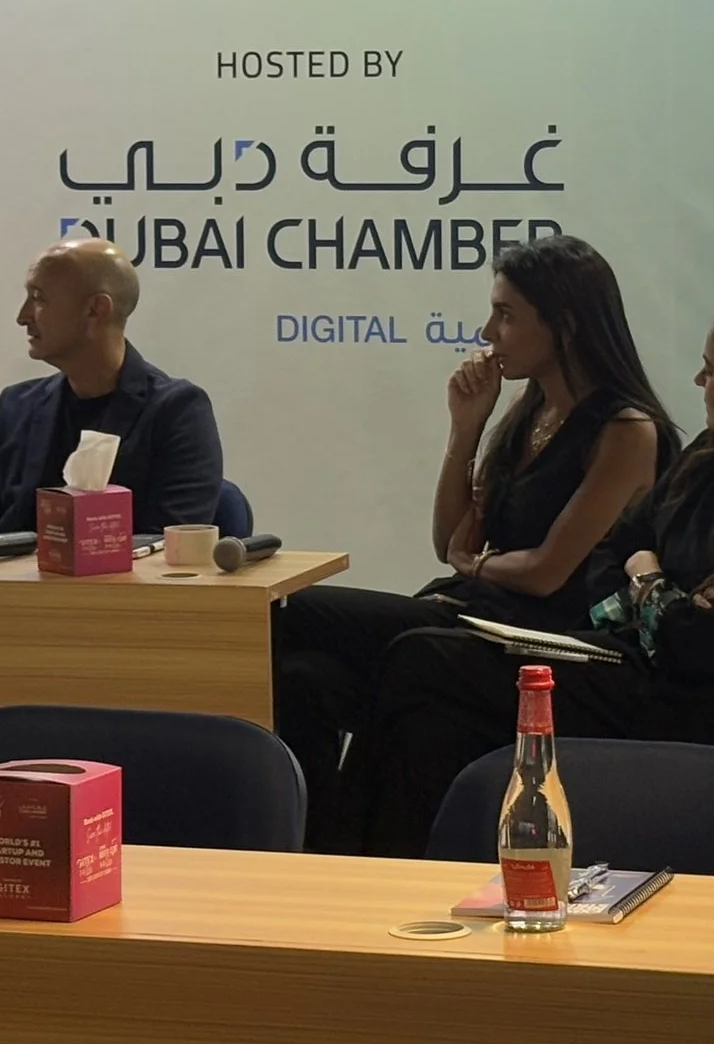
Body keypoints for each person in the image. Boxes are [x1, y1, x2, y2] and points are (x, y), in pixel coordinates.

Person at [338, 293, 714, 861]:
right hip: (628, 664)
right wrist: (663, 593)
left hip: (693, 709)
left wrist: (648, 579)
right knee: (429, 721)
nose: (699, 380)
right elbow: (615, 551)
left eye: (712, 369)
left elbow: (704, 649)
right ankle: (372, 875)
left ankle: (350, 863)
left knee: (422, 658)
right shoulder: (711, 459)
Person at [273, 236, 679, 847]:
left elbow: (546, 573)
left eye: (506, 315)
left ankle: (346, 853)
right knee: (304, 675)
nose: (489, 333)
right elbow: (451, 542)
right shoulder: (528, 411)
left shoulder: (626, 430)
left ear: (565, 325)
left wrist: (476, 565)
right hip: (470, 608)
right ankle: (310, 851)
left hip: (536, 633)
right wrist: (466, 430)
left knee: (300, 610)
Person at [0, 238, 221, 535]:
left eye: (39, 298)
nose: (23, 316)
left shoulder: (177, 412)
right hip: (9, 567)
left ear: (96, 309)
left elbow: (166, 546)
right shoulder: (16, 406)